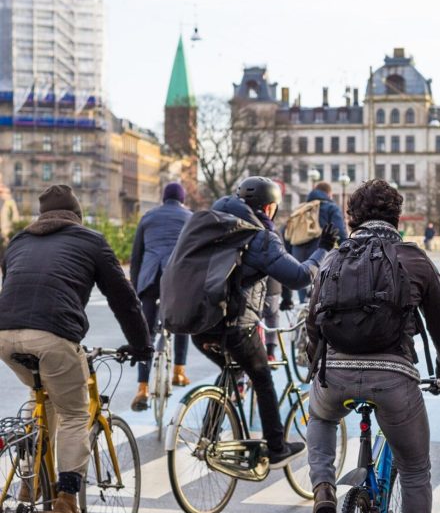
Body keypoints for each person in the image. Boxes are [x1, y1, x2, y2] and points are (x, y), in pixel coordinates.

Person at [306, 179, 440, 513]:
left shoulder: (332, 259)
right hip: (393, 377)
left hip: (336, 373)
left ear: (351, 217)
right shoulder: (412, 258)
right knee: (415, 469)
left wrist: (317, 370)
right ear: (398, 217)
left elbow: (313, 323)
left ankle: (323, 488)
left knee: (320, 414)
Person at [0, 185, 151, 513]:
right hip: (54, 335)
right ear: (77, 215)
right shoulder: (92, 241)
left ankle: (30, 478)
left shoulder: (18, 241)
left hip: (4, 335)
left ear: (41, 216)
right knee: (73, 413)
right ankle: (67, 501)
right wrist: (142, 344)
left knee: (44, 394)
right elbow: (124, 300)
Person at [193, 177, 337, 467]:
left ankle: (207, 438)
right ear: (269, 207)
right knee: (262, 377)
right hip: (234, 325)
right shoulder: (259, 236)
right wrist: (322, 249)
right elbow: (297, 277)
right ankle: (276, 447)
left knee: (231, 371)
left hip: (196, 324)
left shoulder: (212, 228)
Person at [129, 182, 193, 411]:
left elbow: (136, 256)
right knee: (182, 322)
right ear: (182, 199)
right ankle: (179, 371)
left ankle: (142, 388)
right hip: (176, 278)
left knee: (145, 333)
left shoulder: (148, 217)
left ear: (163, 199)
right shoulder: (189, 217)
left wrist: (136, 288)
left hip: (151, 278)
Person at [286, 181, 347, 303]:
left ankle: (303, 313)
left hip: (297, 255)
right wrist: (346, 253)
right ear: (329, 194)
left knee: (304, 299)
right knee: (320, 297)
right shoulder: (331, 207)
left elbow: (287, 234)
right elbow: (339, 232)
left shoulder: (300, 209)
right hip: (320, 253)